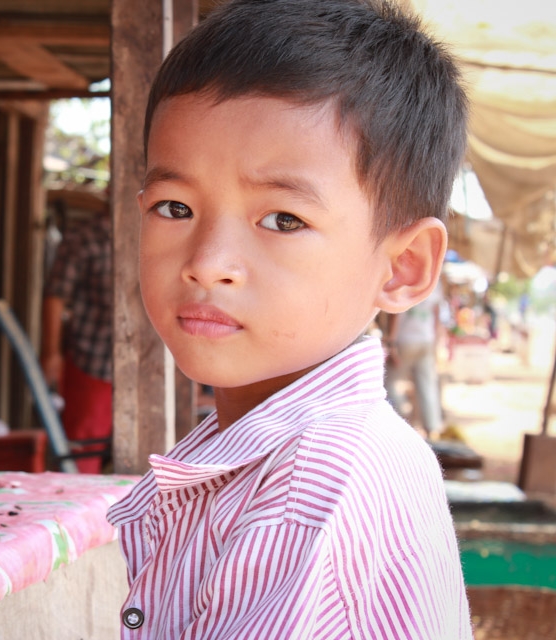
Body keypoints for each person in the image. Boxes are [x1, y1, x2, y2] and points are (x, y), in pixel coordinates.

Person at [106, 0, 472, 637]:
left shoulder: (315, 486)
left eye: (283, 220)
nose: (208, 264)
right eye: (174, 207)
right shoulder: (261, 450)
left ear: (403, 266)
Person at [41, 206, 113, 473]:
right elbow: (55, 296)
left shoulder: (159, 231)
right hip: (93, 362)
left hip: (143, 369)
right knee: (82, 454)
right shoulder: (85, 236)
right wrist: (51, 353)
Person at [383, 281, 447, 439]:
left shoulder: (406, 281)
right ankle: (432, 427)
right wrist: (436, 342)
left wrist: (391, 342)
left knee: (389, 383)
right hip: (427, 339)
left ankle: (400, 417)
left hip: (406, 339)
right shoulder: (435, 284)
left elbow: (396, 313)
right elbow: (436, 316)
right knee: (427, 384)